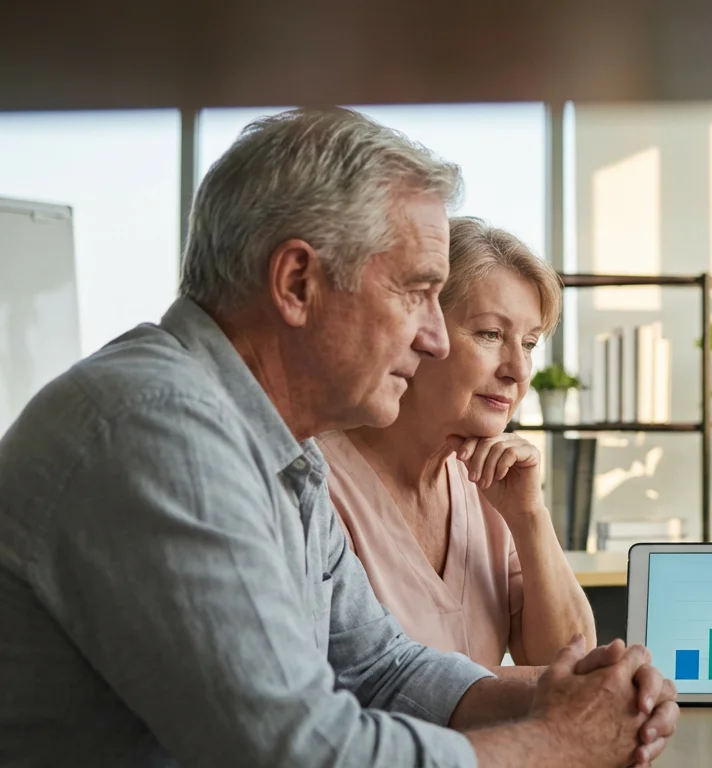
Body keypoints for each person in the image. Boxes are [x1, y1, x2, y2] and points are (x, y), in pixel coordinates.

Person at [0, 107, 677, 768]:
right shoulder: (155, 431)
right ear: (298, 284)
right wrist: (558, 744)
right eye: (415, 293)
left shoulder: (278, 450)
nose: (433, 336)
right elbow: (300, 752)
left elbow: (380, 667)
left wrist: (584, 699)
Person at [319, 217, 595, 673]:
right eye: (490, 335)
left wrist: (529, 518)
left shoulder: (489, 486)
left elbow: (569, 665)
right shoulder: (319, 484)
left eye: (528, 344)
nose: (519, 371)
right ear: (417, 332)